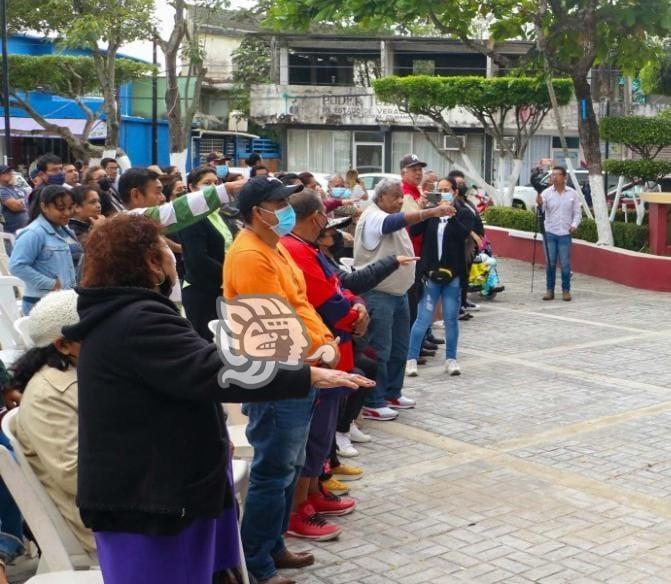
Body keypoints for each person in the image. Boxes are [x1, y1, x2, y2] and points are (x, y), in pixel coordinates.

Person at [63, 213, 366, 584]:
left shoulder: (129, 312)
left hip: (167, 489)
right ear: (150, 263)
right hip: (149, 502)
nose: (174, 255)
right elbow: (210, 369)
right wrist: (306, 374)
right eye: (164, 248)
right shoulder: (136, 319)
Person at [224, 176, 369, 584]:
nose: (288, 210)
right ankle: (258, 564)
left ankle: (273, 546)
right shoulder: (251, 255)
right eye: (280, 203)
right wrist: (318, 354)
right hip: (278, 375)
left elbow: (301, 304)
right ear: (258, 211)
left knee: (286, 468)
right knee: (273, 472)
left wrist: (325, 344)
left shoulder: (275, 248)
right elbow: (273, 323)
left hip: (302, 370)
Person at [282, 190, 367, 540]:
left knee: (321, 433)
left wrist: (357, 305)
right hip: (319, 350)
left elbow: (337, 286)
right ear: (316, 217)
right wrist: (354, 315)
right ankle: (299, 508)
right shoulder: (294, 249)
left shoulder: (307, 248)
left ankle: (314, 491)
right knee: (313, 435)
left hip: (334, 347)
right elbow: (324, 300)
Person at [354, 178, 452, 420]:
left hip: (398, 293)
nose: (400, 201)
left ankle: (391, 393)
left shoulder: (386, 211)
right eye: (395, 197)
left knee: (399, 348)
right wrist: (430, 212)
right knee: (380, 349)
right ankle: (373, 400)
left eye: (401, 196)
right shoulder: (374, 215)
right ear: (381, 197)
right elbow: (391, 223)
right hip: (379, 294)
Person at [10, 290, 95, 552]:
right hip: (105, 524)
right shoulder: (47, 396)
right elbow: (76, 476)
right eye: (92, 330)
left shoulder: (88, 370)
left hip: (129, 500)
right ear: (63, 345)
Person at [406, 181, 471, 377]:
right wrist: (424, 210)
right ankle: (411, 359)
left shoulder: (463, 213)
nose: (443, 194)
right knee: (422, 318)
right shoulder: (431, 213)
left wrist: (450, 214)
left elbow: (463, 234)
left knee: (451, 318)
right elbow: (414, 231)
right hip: (431, 275)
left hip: (453, 275)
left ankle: (451, 359)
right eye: (440, 190)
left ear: (455, 192)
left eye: (447, 190)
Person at [179, 166, 237, 341]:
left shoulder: (217, 213)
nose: (213, 187)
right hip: (202, 291)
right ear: (192, 187)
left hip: (220, 287)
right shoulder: (191, 216)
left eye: (215, 182)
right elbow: (198, 259)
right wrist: (230, 275)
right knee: (208, 343)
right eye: (207, 183)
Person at [9, 185, 81, 314]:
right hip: (41, 304)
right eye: (61, 208)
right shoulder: (34, 233)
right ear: (44, 207)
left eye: (70, 208)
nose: (67, 213)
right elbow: (16, 266)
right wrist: (51, 284)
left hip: (63, 301)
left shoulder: (64, 230)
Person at [535, 166, 582, 302]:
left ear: (564, 177)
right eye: (552, 175)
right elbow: (540, 209)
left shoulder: (572, 193)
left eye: (557, 175)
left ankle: (566, 290)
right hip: (550, 232)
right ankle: (549, 290)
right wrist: (538, 197)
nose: (554, 177)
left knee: (565, 264)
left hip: (565, 234)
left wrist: (574, 225)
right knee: (550, 263)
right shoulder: (546, 193)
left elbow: (577, 213)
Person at [0, 165, 29, 244]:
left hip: (27, 231)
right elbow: (15, 206)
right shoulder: (2, 191)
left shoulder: (20, 189)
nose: (10, 173)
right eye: (6, 172)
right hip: (12, 234)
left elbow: (32, 202)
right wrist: (26, 202)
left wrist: (23, 202)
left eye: (10, 171)